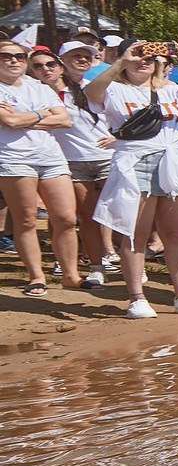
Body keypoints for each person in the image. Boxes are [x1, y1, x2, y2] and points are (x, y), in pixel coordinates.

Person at [91, 39, 178, 317]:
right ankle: (136, 297)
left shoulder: (173, 90)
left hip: (172, 162)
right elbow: (92, 91)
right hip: (135, 163)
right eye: (137, 56)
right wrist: (123, 61)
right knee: (136, 235)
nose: (143, 61)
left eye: (149, 57)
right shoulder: (116, 89)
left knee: (174, 233)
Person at [0, 36, 81, 296]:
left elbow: (65, 120)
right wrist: (43, 114)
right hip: (13, 158)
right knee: (26, 220)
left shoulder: (39, 87)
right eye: (6, 56)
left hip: (50, 157)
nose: (14, 60)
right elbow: (9, 123)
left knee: (67, 218)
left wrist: (23, 118)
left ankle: (71, 275)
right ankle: (36, 276)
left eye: (19, 56)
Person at [46, 38, 110, 284]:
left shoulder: (100, 86)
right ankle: (96, 267)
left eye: (87, 56)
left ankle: (128, 264)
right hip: (73, 161)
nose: (83, 60)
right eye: (76, 56)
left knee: (122, 214)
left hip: (108, 158)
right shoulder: (49, 92)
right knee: (87, 217)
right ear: (62, 62)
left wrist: (118, 137)